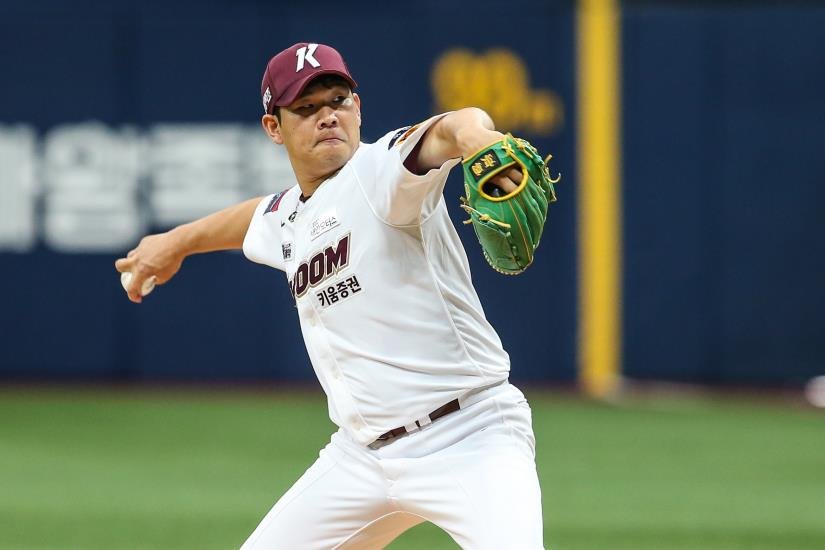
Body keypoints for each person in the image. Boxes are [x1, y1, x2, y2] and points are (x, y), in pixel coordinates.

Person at [116, 42, 545, 549]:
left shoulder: (381, 172)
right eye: (305, 108)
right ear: (273, 128)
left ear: (358, 109)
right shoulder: (292, 215)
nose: (327, 117)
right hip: (361, 458)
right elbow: (255, 218)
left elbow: (452, 126)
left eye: (338, 100)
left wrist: (478, 139)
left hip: (469, 434)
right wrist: (174, 243)